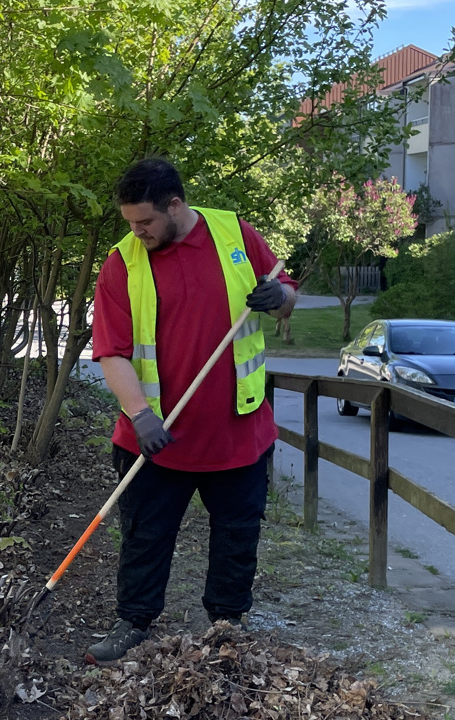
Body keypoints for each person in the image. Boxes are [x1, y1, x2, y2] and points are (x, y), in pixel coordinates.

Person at [85, 158, 296, 665]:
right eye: (130, 222)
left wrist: (278, 297)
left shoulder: (234, 234)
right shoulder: (123, 262)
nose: (137, 232)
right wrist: (139, 414)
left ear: (175, 205)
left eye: (145, 222)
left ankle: (227, 626)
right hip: (155, 437)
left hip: (237, 435)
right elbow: (110, 351)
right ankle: (133, 622)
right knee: (144, 536)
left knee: (237, 536)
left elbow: (287, 297)